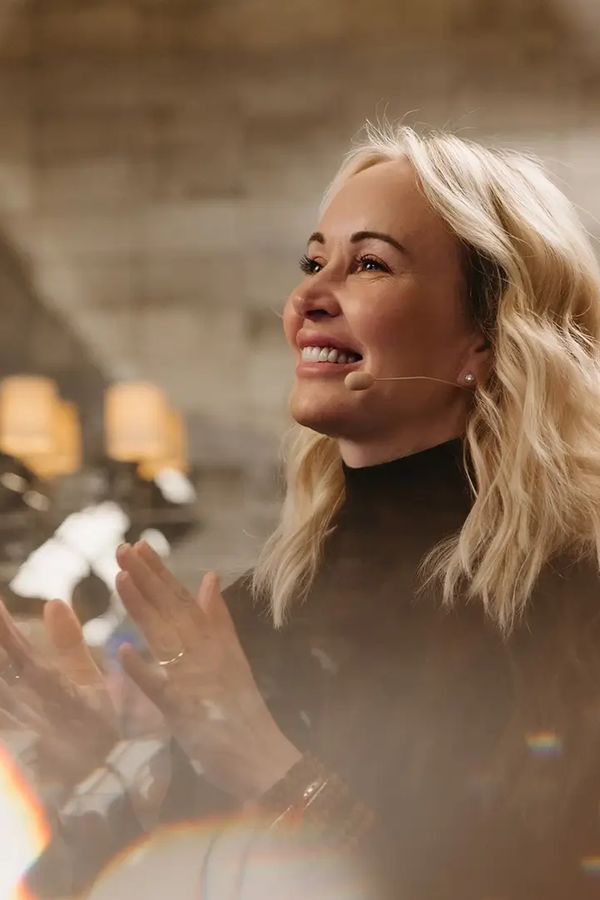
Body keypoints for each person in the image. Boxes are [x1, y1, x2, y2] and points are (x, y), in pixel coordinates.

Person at [3, 121, 600, 899]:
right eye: (314, 261)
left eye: (371, 264)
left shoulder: (574, 615)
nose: (309, 296)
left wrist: (265, 764)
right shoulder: (257, 615)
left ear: (482, 341)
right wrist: (95, 777)